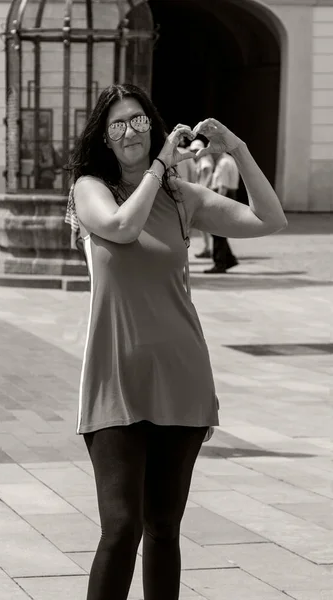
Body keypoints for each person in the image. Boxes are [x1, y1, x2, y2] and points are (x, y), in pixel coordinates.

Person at [66, 83, 287, 600]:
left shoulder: (181, 197)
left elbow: (269, 219)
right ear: (104, 134)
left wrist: (238, 149)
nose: (130, 132)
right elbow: (121, 227)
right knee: (121, 528)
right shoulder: (89, 188)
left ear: (153, 123)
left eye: (139, 120)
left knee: (163, 528)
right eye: (117, 124)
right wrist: (161, 166)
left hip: (182, 378)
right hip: (115, 378)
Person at [204, 150, 241, 273]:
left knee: (217, 231)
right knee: (220, 232)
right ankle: (229, 259)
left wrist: (216, 205)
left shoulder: (224, 163)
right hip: (227, 196)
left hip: (223, 196)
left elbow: (223, 187)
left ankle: (220, 263)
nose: (209, 154)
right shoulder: (227, 160)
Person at [189, 137, 214, 259]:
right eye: (193, 150)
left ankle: (208, 248)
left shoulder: (204, 160)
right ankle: (207, 248)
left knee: (201, 225)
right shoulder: (200, 160)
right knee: (202, 226)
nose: (194, 153)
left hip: (202, 196)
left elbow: (208, 173)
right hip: (202, 194)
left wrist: (202, 189)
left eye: (196, 150)